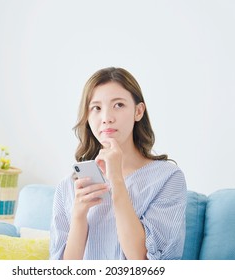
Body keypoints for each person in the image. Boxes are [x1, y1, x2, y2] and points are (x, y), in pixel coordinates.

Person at [50, 67, 187, 260]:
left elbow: (146, 262)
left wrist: (116, 179)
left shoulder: (168, 178)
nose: (106, 118)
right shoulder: (69, 185)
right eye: (96, 108)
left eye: (119, 105)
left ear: (138, 111)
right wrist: (79, 216)